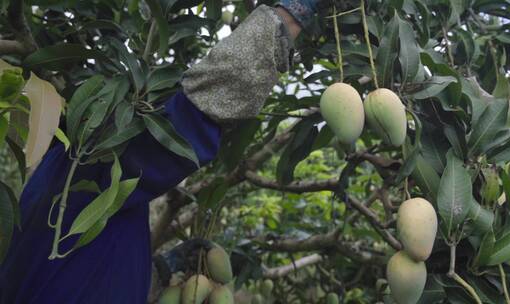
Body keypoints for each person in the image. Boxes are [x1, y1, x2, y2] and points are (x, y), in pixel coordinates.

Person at [0, 1, 325, 303]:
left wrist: (160, 270)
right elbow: (192, 116)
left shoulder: (53, 187)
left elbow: (89, 273)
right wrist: (287, 17)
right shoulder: (88, 167)